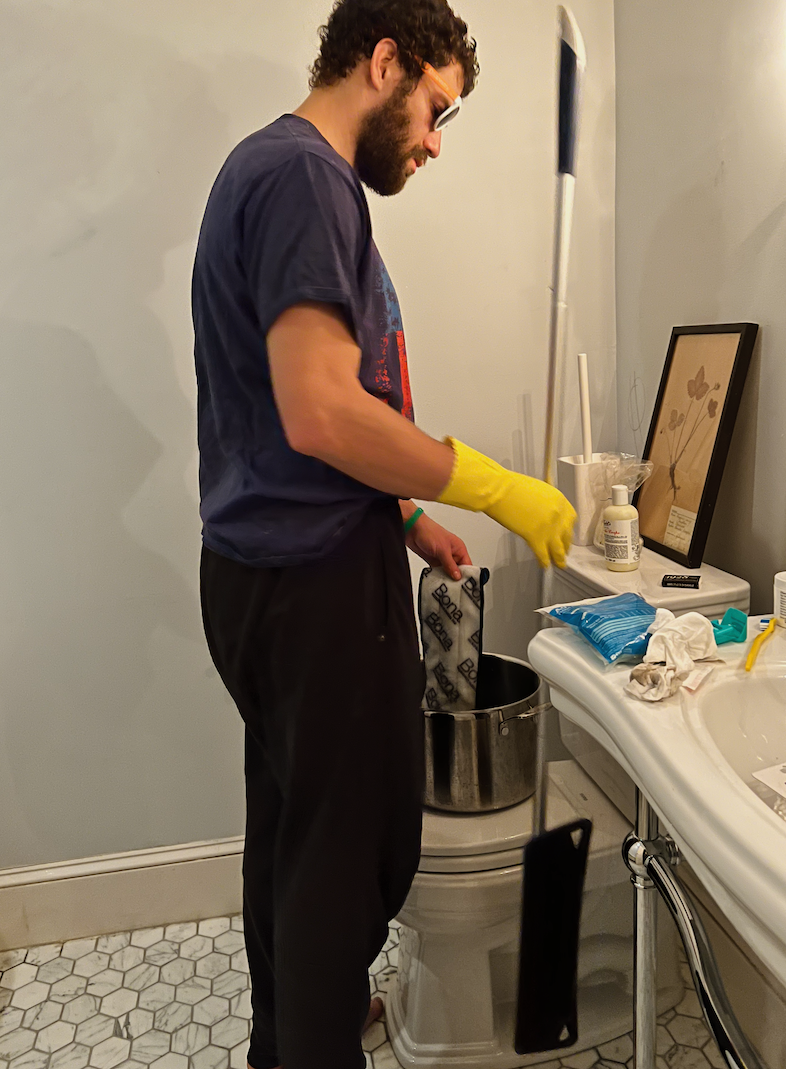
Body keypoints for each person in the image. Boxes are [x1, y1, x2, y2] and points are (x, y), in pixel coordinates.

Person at [192, 3, 576, 1069]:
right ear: (384, 62)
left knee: (293, 838)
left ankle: (293, 1036)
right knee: (352, 857)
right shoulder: (304, 179)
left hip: (267, 573)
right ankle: (313, 1040)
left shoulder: (274, 175)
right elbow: (321, 410)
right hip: (314, 591)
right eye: (435, 109)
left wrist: (407, 517)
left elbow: (286, 420)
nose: (434, 143)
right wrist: (492, 484)